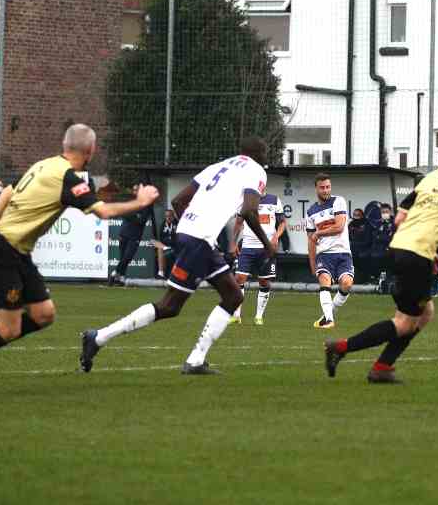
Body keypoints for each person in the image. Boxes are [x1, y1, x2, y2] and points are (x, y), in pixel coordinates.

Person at [0, 124, 158, 395]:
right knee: (8, 328)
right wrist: (141, 201)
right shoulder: (68, 178)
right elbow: (104, 212)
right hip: (3, 252)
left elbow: (6, 193)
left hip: (16, 251)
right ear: (91, 150)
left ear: (65, 146)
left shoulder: (44, 164)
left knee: (44, 314)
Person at [81, 138, 274, 376]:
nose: (267, 157)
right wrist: (268, 245)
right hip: (199, 240)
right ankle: (98, 337)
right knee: (170, 305)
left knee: (233, 295)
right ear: (257, 154)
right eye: (265, 153)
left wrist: (191, 228)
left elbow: (178, 201)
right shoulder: (256, 170)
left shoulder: (218, 166)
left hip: (194, 236)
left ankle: (196, 360)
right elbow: (248, 210)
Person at [324, 132, 438, 384]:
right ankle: (340, 348)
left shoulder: (431, 177)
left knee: (424, 312)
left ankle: (382, 367)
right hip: (415, 254)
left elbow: (399, 219)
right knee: (404, 322)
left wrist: (425, 252)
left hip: (399, 248)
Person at [229, 192, 285, 324]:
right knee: (239, 279)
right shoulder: (244, 200)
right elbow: (238, 222)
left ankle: (259, 316)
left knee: (264, 282)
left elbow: (282, 223)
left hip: (266, 248)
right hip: (248, 246)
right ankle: (237, 315)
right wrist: (234, 242)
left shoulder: (274, 200)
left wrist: (276, 236)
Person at [307, 174, 353, 328]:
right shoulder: (311, 212)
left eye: (328, 187)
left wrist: (319, 233)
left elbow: (339, 227)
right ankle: (329, 320)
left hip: (343, 252)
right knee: (324, 280)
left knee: (346, 284)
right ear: (316, 188)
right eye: (322, 187)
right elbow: (311, 240)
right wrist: (312, 264)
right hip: (324, 254)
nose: (326, 190)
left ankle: (327, 315)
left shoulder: (338, 201)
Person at [111, 184, 159, 286]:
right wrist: (134, 215)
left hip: (135, 235)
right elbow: (123, 213)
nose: (135, 192)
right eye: (134, 190)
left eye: (137, 190)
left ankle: (115, 273)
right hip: (124, 233)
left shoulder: (147, 204)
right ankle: (121, 277)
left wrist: (131, 214)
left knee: (128, 257)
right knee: (123, 257)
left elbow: (141, 220)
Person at [155, 208, 178, 279]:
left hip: (176, 246)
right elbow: (161, 237)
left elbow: (179, 237)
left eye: (170, 216)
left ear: (173, 216)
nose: (168, 218)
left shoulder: (177, 223)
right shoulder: (163, 224)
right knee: (158, 246)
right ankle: (161, 273)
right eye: (166, 216)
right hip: (166, 246)